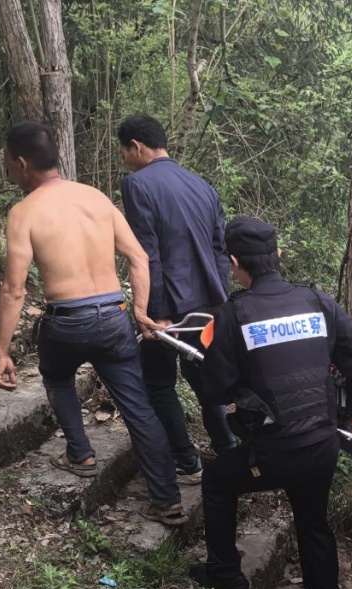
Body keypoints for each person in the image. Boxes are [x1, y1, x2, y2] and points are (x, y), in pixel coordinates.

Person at [190, 216, 352, 589]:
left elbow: (213, 391)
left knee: (218, 481)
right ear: (277, 255)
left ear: (235, 262)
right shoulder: (319, 302)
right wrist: (341, 416)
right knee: (312, 519)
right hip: (322, 445)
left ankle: (225, 573)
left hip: (275, 451)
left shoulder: (233, 315)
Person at [0, 121, 186, 526]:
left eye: (9, 162)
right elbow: (139, 257)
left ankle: (80, 454)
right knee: (138, 406)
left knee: (58, 376)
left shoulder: (23, 212)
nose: (9, 169)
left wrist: (2, 351)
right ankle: (167, 498)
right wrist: (139, 309)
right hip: (114, 318)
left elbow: (14, 290)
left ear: (22, 163)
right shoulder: (96, 198)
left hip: (67, 322)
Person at [118, 114, 237, 483]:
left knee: (157, 383)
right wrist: (220, 300)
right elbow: (221, 250)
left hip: (168, 307)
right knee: (205, 381)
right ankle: (229, 449)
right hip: (210, 305)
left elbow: (147, 252)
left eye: (124, 151)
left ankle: (186, 461)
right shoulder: (203, 186)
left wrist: (151, 312)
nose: (124, 159)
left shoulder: (137, 185)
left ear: (136, 146)